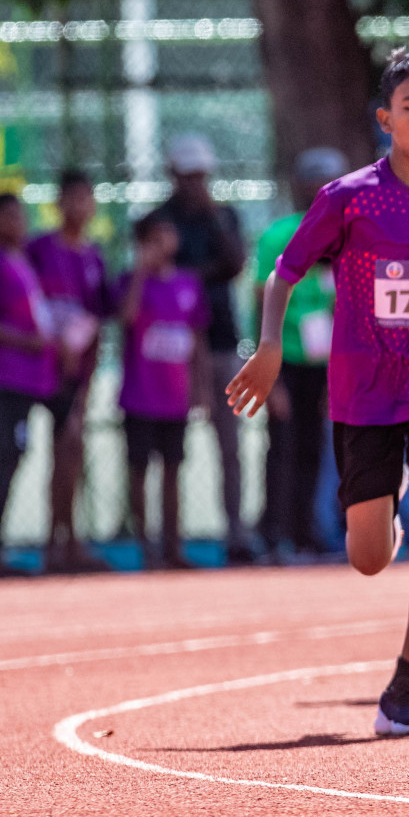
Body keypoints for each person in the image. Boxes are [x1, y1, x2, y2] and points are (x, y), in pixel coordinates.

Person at [226, 48, 409, 736]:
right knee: (368, 557)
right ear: (385, 117)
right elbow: (284, 273)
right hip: (365, 391)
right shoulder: (348, 198)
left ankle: (406, 685)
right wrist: (270, 346)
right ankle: (379, 509)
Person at [150, 133, 256, 564]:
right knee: (169, 446)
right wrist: (200, 274)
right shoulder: (159, 221)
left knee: (231, 446)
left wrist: (213, 222)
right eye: (188, 175)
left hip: (222, 344)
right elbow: (168, 275)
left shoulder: (223, 216)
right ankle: (165, 541)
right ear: (173, 174)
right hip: (173, 352)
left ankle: (236, 534)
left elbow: (234, 264)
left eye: (202, 175)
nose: (196, 183)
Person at [254, 147, 345, 559]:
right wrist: (266, 369)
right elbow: (261, 301)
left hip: (327, 361)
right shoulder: (278, 234)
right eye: (313, 180)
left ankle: (309, 532)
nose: (320, 189)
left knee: (317, 448)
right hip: (286, 359)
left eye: (329, 180)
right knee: (281, 446)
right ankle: (274, 533)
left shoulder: (350, 235)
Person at [0, 193, 58, 578]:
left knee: (17, 455)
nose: (17, 221)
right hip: (5, 377)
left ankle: (19, 547)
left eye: (19, 214)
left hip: (31, 378)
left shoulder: (25, 261)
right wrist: (24, 342)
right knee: (4, 456)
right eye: (6, 216)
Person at [27, 170, 113, 573]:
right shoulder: (39, 249)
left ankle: (68, 541)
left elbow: (98, 319)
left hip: (75, 374)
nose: (80, 207)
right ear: (58, 203)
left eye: (87, 198)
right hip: (36, 369)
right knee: (34, 451)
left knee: (70, 451)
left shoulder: (94, 257)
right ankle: (50, 544)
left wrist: (87, 375)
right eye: (72, 198)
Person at [117, 212, 209, 569]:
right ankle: (145, 545)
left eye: (168, 234)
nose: (163, 243)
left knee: (173, 470)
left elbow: (197, 339)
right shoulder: (131, 281)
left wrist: (200, 389)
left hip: (176, 397)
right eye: (154, 237)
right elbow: (125, 318)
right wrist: (140, 271)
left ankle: (173, 546)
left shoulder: (188, 283)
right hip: (140, 395)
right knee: (139, 470)